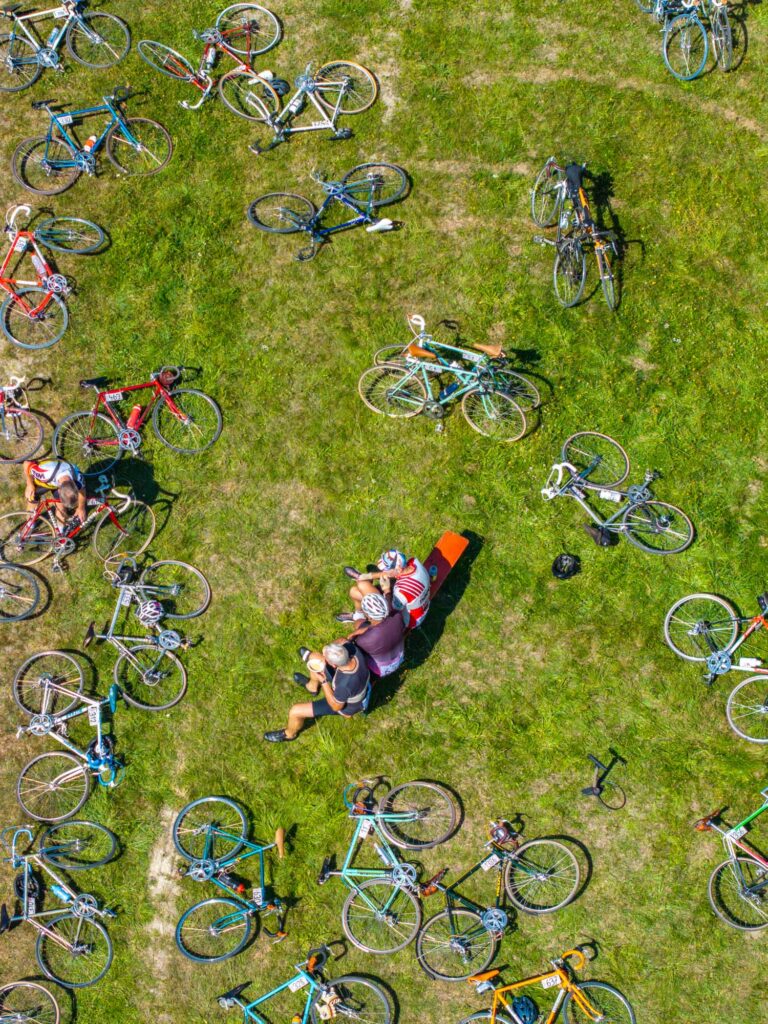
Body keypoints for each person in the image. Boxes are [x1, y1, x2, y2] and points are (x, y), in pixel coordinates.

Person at [264, 641, 370, 744]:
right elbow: (342, 640)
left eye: (326, 659)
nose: (324, 657)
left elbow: (336, 706)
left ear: (334, 665)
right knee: (314, 658)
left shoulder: (344, 685)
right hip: (357, 681)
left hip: (347, 706)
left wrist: (324, 682)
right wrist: (325, 652)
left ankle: (289, 734)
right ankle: (312, 687)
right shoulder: (353, 650)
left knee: (295, 711)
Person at [342, 549, 432, 630]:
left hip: (409, 620)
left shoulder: (401, 591)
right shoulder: (414, 562)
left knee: (355, 592)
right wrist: (367, 576)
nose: (383, 571)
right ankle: (361, 578)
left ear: (399, 569)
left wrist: (386, 590)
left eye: (386, 569)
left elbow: (390, 611)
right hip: (420, 607)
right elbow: (390, 574)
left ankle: (359, 616)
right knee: (358, 589)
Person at [342, 591, 405, 679]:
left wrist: (352, 636)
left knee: (358, 624)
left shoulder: (364, 640)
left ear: (369, 616)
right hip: (400, 657)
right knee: (360, 623)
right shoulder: (398, 617)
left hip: (380, 670)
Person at [23, 458, 86, 526]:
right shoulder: (45, 473)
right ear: (59, 490)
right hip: (43, 481)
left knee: (61, 511)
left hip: (55, 482)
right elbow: (26, 463)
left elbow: (82, 491)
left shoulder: (77, 477)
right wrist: (30, 484)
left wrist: (81, 508)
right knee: (32, 498)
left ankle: (60, 530)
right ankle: (30, 524)